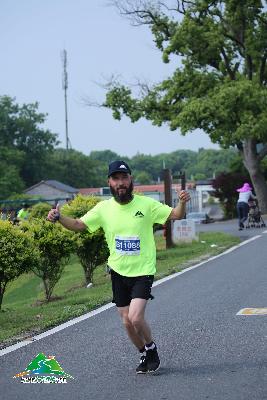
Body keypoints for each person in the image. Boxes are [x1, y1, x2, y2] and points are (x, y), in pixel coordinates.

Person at [47, 160, 191, 374]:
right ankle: (143, 353)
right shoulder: (104, 209)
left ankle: (151, 348)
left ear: (130, 180)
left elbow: (177, 215)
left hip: (142, 270)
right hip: (118, 271)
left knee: (135, 317)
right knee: (126, 322)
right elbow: (78, 225)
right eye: (116, 179)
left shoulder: (146, 204)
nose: (121, 182)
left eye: (124, 178)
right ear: (110, 182)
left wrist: (182, 202)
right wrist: (59, 217)